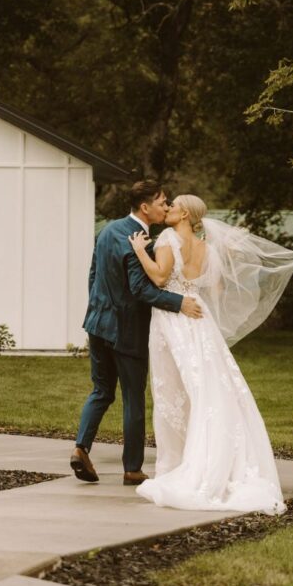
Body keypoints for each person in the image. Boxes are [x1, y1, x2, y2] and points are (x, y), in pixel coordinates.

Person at [127, 194, 293, 514]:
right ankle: (215, 457)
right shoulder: (207, 248)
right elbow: (216, 289)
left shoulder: (167, 237)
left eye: (173, 205)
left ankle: (176, 465)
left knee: (170, 391)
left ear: (184, 214)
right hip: (201, 317)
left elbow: (160, 277)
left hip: (173, 318)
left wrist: (140, 250)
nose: (168, 209)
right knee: (211, 386)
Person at [71, 180, 203, 486]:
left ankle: (81, 448)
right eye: (162, 202)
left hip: (96, 324)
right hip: (127, 330)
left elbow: (93, 275)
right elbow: (141, 289)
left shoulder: (107, 230)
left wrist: (96, 311)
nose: (166, 207)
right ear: (145, 207)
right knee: (132, 398)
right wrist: (179, 302)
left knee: (101, 391)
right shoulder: (138, 237)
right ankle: (132, 468)